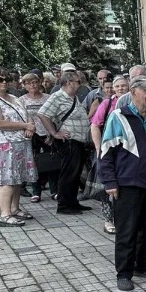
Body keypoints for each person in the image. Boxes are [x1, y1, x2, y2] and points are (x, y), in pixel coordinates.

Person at [98, 76, 146, 292]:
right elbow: (106, 153)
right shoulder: (118, 117)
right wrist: (110, 182)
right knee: (127, 231)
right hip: (127, 185)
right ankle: (124, 273)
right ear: (134, 92)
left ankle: (142, 265)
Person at [0, 69, 38, 226]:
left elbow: (26, 114)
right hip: (4, 143)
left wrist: (29, 126)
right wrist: (25, 125)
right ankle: (5, 214)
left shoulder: (13, 97)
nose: (4, 82)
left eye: (7, 78)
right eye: (0, 79)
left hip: (21, 142)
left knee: (18, 178)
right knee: (7, 179)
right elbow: (0, 123)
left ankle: (15, 208)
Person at [38, 71, 93, 215]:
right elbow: (42, 113)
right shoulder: (58, 97)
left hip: (78, 141)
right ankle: (64, 206)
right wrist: (54, 133)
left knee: (75, 174)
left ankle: (72, 202)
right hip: (69, 141)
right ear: (69, 82)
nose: (80, 84)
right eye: (78, 81)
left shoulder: (72, 97)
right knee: (69, 173)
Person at [91, 75, 130, 233]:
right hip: (110, 151)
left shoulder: (132, 102)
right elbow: (95, 125)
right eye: (118, 86)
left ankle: (123, 219)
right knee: (107, 185)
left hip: (127, 152)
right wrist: (100, 148)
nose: (120, 88)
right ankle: (108, 220)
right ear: (113, 88)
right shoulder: (108, 104)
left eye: (123, 85)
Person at [18, 72, 58, 203]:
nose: (32, 85)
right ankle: (36, 191)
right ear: (24, 85)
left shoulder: (48, 97)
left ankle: (54, 191)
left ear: (40, 82)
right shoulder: (22, 100)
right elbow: (21, 118)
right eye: (28, 83)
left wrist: (52, 133)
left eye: (34, 82)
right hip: (31, 135)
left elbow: (53, 116)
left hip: (47, 133)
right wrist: (27, 128)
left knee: (51, 161)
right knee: (33, 163)